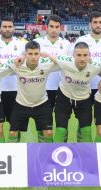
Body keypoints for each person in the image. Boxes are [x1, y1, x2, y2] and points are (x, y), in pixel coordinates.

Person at [73, 11, 101, 140]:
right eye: (95, 22)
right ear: (89, 24)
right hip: (84, 87)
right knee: (83, 120)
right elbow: (74, 63)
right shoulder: (82, 40)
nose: (98, 25)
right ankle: (82, 148)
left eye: (100, 22)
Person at [4, 41, 56, 143]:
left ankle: (45, 155)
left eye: (36, 54)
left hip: (41, 104)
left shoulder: (46, 65)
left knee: (48, 133)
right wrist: (17, 59)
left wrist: (49, 55)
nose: (33, 57)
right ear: (25, 54)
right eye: (30, 54)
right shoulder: (17, 64)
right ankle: (13, 156)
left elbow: (63, 63)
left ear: (40, 54)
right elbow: (1, 66)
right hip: (21, 104)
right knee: (12, 133)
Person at [50, 42, 101, 142]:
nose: (82, 58)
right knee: (60, 131)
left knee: (86, 132)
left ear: (89, 56)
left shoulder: (95, 66)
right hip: (64, 97)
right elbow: (49, 56)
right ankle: (55, 155)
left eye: (85, 55)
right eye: (79, 55)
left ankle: (87, 157)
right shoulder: (65, 61)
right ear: (73, 55)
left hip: (84, 99)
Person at [33, 14, 71, 142]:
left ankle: (62, 148)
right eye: (51, 26)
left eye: (57, 27)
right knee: (43, 121)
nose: (54, 29)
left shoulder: (66, 44)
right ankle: (43, 149)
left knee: (62, 122)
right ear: (46, 27)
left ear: (61, 28)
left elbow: (71, 65)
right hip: (42, 88)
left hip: (63, 89)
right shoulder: (38, 43)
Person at [0, 17, 26, 125]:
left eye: (10, 27)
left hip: (17, 90)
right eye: (4, 27)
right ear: (0, 28)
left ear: (14, 28)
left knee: (15, 126)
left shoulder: (22, 45)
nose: (7, 29)